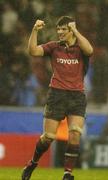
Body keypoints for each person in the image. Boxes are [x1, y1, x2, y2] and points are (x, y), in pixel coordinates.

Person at [22, 16, 93, 180]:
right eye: (58, 29)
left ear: (71, 30)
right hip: (57, 94)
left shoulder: (81, 48)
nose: (60, 32)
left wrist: (76, 30)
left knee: (75, 133)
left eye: (63, 29)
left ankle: (67, 173)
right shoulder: (54, 47)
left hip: (77, 96)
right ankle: (32, 163)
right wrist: (34, 30)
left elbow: (90, 50)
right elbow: (33, 51)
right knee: (48, 137)